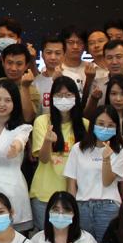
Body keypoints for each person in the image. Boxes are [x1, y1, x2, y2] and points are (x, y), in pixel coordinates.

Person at [30, 76, 89, 229]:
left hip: (75, 195)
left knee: (71, 237)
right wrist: (47, 141)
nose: (64, 99)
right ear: (52, 98)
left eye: (68, 95)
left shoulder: (85, 125)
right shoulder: (42, 121)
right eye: (59, 95)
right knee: (45, 238)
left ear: (76, 98)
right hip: (44, 194)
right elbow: (43, 159)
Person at [63, 107, 123, 242]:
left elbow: (107, 181)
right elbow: (71, 182)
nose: (105, 128)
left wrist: (106, 159)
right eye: (101, 124)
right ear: (93, 124)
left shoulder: (120, 149)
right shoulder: (78, 148)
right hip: (82, 206)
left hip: (107, 206)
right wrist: (72, 208)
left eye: (110, 125)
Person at [0, 80, 34, 231]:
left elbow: (20, 141)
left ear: (15, 103)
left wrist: (16, 148)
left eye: (8, 100)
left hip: (12, 190)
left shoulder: (22, 128)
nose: (2, 104)